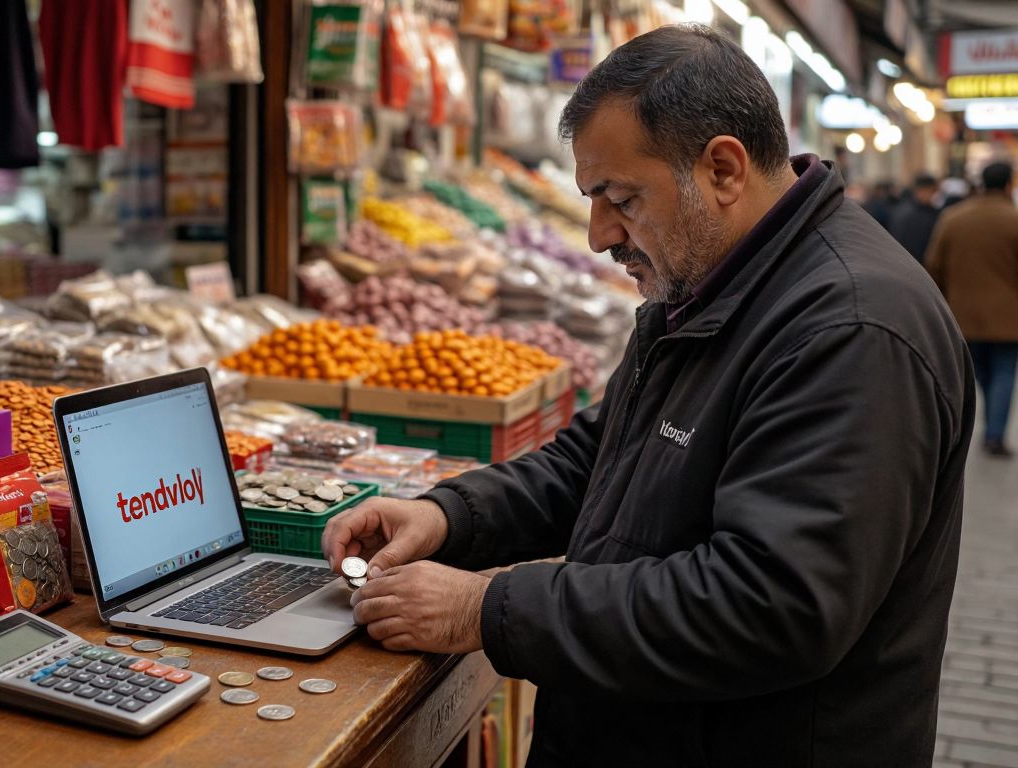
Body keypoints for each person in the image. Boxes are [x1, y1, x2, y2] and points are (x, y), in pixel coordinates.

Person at [324, 24, 971, 767]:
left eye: (620, 198)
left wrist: (487, 607)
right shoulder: (711, 286)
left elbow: (770, 608)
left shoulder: (851, 330)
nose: (599, 235)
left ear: (723, 169)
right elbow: (601, 460)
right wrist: (448, 515)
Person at [926, 161, 1018, 458]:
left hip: (962, 315)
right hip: (1008, 316)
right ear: (1008, 185)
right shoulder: (1013, 219)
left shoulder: (953, 218)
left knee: (977, 371)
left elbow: (934, 265)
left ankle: (980, 426)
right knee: (1004, 372)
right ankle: (994, 434)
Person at [887, 173, 941, 264]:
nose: (935, 195)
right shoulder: (919, 215)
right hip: (916, 266)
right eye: (933, 191)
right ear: (923, 190)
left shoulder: (900, 209)